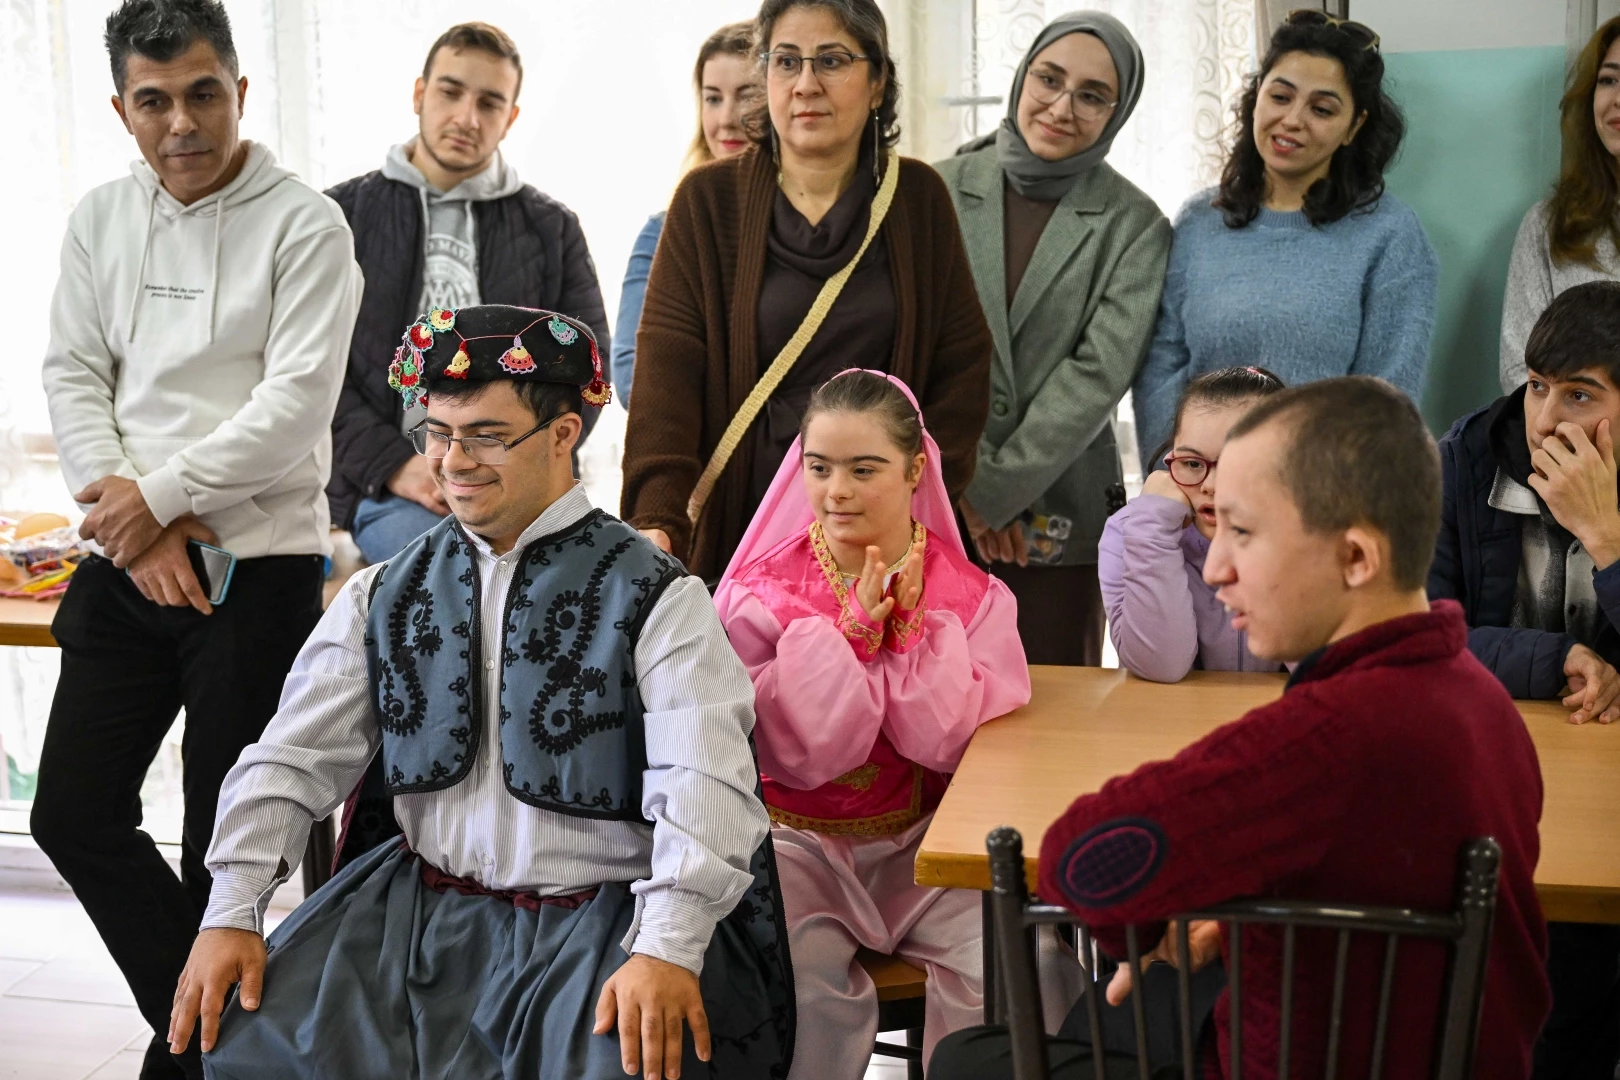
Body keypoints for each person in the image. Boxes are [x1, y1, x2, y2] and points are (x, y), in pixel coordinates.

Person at [167, 305, 791, 1080]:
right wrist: (231, 910)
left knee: (621, 1065)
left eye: (486, 435)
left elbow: (704, 787)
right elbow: (290, 760)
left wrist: (667, 945)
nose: (452, 461)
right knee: (259, 1042)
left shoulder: (657, 596)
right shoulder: (383, 594)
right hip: (415, 920)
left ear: (564, 434)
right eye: (437, 433)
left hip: (601, 927)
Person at [933, 377, 1551, 1079]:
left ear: (1356, 558)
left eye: (1246, 533)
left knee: (965, 1060)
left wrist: (1161, 925)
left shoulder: (1320, 737)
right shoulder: (1484, 704)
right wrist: (1228, 928)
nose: (1218, 568)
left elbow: (1083, 862)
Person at [31, 3, 363, 1078]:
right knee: (72, 813)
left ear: (240, 92)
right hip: (125, 564)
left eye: (203, 93)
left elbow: (294, 407)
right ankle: (227, 1047)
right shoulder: (100, 219)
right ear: (122, 109)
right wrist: (133, 525)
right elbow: (73, 375)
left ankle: (190, 1059)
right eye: (156, 100)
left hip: (257, 568)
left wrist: (161, 498)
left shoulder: (307, 226)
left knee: (225, 853)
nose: (182, 121)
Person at [713, 369, 1030, 1079]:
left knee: (1022, 966)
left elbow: (956, 746)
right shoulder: (759, 595)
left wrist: (914, 638)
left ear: (915, 470)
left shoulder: (970, 597)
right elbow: (793, 754)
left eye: (864, 469)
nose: (836, 491)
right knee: (791, 985)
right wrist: (851, 636)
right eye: (819, 468)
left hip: (929, 847)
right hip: (795, 847)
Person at [620, 0, 992, 581]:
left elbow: (961, 373)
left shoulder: (919, 198)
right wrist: (656, 519)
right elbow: (666, 378)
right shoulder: (705, 201)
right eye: (786, 61)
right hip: (741, 538)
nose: (806, 84)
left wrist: (912, 502)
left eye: (833, 60)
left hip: (876, 546)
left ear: (877, 81)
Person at [325, 22, 611, 566]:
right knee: (454, 574)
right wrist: (395, 465)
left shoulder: (551, 228)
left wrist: (520, 463)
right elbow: (313, 371)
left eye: (489, 102)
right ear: (419, 94)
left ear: (511, 117)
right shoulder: (340, 218)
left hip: (524, 483)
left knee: (584, 581)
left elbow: (587, 368)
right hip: (394, 485)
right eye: (450, 92)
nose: (467, 117)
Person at [934, 12, 1171, 666]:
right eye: (1049, 79)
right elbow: (912, 344)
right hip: (932, 499)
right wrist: (964, 479)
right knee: (925, 701)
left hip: (1059, 517)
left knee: (1053, 708)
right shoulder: (936, 186)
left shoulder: (1136, 225)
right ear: (1022, 77)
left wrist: (993, 493)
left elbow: (1097, 376)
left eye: (1092, 95)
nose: (1062, 107)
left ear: (1118, 113)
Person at [1430, 280, 1620, 1080]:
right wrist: (1552, 659)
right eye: (1538, 387)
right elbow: (1422, 631)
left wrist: (1608, 541)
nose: (1544, 421)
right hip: (1496, 766)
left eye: (1579, 395)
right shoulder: (1467, 457)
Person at [1130, 11, 1438, 468]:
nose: (1292, 120)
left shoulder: (1390, 234)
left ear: (1354, 127)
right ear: (1256, 97)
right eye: (1280, 96)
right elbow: (1162, 366)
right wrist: (1181, 476)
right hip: (1199, 490)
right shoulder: (1198, 221)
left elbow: (1387, 398)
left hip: (1321, 492)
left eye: (1321, 109)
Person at [1099, 366, 1288, 682]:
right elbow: (1160, 666)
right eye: (1191, 463)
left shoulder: (1318, 530)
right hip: (1172, 712)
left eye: (1238, 463)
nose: (1211, 485)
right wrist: (1153, 533)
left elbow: (1328, 667)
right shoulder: (1131, 530)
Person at [610, 22, 760, 408]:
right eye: (713, 99)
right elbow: (631, 376)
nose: (726, 119)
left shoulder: (814, 228)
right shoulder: (665, 232)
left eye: (747, 96)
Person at [1501, 15, 1620, 392]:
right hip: (1561, 428)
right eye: (1609, 80)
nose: (1617, 99)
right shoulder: (1550, 224)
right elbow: (1520, 369)